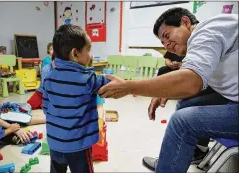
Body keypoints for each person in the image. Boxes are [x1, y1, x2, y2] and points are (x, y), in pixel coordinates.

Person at [98, 8, 238, 173]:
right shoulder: (199, 45)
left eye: (167, 36)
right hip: (233, 98)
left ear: (185, 22)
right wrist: (164, 91)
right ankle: (186, 155)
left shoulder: (207, 32)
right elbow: (187, 80)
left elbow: (190, 82)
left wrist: (128, 86)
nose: (167, 45)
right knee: (185, 103)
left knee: (182, 122)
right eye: (163, 43)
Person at [43, 24, 110, 173]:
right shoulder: (88, 79)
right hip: (78, 146)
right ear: (75, 54)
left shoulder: (48, 78)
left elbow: (46, 108)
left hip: (55, 143)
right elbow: (113, 84)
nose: (91, 55)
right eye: (89, 50)